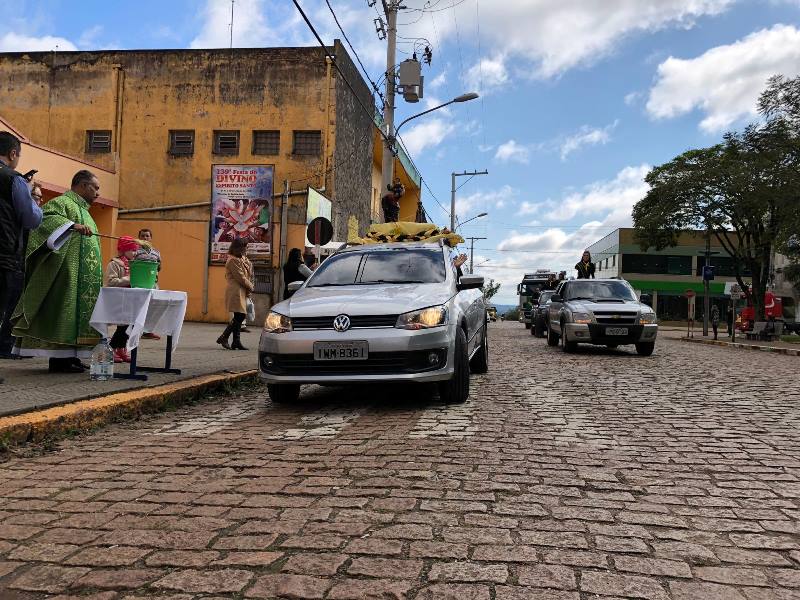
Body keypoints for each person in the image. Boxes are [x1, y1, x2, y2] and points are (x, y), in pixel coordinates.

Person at [11, 170, 102, 373]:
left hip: (83, 277)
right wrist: (71, 225)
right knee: (64, 312)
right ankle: (59, 360)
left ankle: (73, 355)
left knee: (76, 315)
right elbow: (44, 220)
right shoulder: (62, 203)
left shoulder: (85, 211)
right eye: (95, 188)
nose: (98, 193)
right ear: (82, 186)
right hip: (65, 272)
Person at [0, 132, 43, 364]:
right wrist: (28, 192)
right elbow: (31, 219)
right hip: (5, 255)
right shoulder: (14, 179)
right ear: (12, 153)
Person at [105, 236, 139, 363]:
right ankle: (111, 348)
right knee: (123, 326)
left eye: (135, 250)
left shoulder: (134, 264)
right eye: (132, 250)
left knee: (128, 325)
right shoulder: (114, 264)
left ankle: (121, 348)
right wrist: (129, 279)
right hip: (118, 300)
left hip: (130, 300)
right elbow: (111, 281)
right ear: (124, 250)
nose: (135, 253)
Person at [217, 238, 253, 350]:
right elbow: (240, 277)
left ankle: (235, 341)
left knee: (239, 316)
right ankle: (225, 337)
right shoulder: (233, 260)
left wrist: (245, 258)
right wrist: (251, 286)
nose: (246, 249)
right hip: (236, 290)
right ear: (239, 248)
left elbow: (249, 272)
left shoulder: (241, 259)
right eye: (245, 247)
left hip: (241, 290)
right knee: (240, 315)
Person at [136, 228, 162, 340]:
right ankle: (135, 331)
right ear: (139, 238)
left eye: (147, 236)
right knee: (139, 307)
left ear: (151, 238)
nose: (145, 238)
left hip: (153, 283)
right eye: (142, 236)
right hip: (139, 283)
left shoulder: (156, 252)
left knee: (153, 307)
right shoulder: (135, 252)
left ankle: (147, 331)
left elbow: (159, 267)